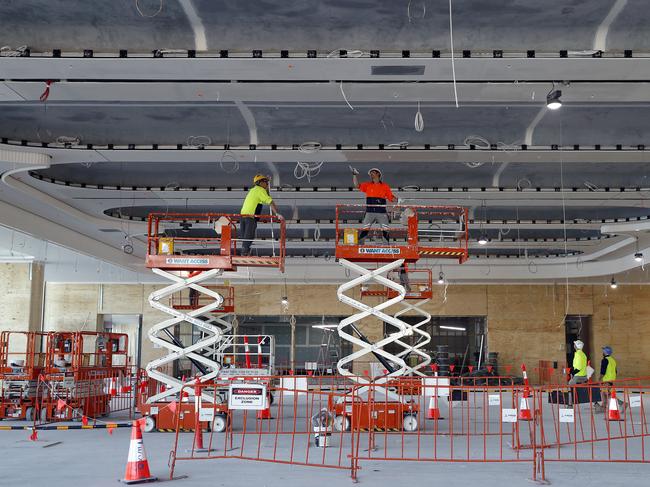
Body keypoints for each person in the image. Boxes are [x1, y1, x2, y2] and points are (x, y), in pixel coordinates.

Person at [351, 167, 397, 243]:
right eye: (370, 174)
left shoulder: (385, 186)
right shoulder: (367, 185)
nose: (371, 175)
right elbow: (356, 185)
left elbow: (391, 198)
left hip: (381, 212)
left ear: (378, 174)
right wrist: (354, 175)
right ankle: (359, 245)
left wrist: (398, 199)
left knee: (386, 229)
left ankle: (386, 247)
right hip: (370, 212)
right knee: (365, 229)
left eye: (373, 173)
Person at [239, 174, 282, 256]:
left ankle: (245, 252)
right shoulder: (260, 190)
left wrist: (268, 182)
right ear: (260, 182)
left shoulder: (253, 190)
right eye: (265, 182)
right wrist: (277, 213)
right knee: (248, 237)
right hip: (250, 217)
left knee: (245, 238)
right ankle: (245, 253)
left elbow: (266, 196)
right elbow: (270, 201)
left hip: (243, 216)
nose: (267, 184)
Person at [594, 346, 625, 413]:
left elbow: (603, 371)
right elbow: (615, 371)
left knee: (606, 393)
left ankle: (622, 404)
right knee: (606, 394)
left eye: (603, 351)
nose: (602, 353)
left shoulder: (604, 360)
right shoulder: (613, 360)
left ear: (605, 352)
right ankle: (604, 407)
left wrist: (600, 378)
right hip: (611, 380)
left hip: (606, 380)